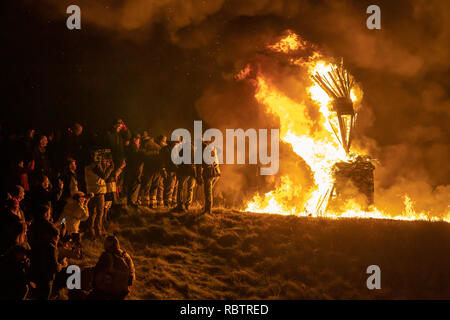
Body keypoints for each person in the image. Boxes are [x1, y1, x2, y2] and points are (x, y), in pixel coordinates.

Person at [28, 204, 65, 300]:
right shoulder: (50, 247)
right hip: (46, 276)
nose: (58, 239)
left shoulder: (34, 226)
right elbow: (54, 266)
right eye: (57, 237)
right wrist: (61, 265)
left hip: (35, 269)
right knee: (44, 295)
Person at [90, 235, 135, 300]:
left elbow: (97, 273)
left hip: (109, 291)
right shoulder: (125, 255)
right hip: (124, 290)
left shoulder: (106, 256)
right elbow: (132, 274)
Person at [0, 220, 32, 300]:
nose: (26, 234)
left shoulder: (11, 243)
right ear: (20, 233)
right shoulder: (17, 249)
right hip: (12, 281)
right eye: (25, 232)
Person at [85, 152, 114, 238]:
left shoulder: (87, 167)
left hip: (91, 192)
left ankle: (91, 231)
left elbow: (98, 176)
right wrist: (111, 167)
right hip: (99, 192)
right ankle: (98, 232)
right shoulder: (95, 167)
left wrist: (104, 166)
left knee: (92, 213)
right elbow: (104, 176)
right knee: (99, 213)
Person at [174, 139, 200, 213]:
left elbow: (178, 160)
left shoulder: (182, 149)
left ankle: (180, 204)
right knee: (190, 189)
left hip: (184, 170)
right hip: (192, 171)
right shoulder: (194, 149)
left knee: (180, 187)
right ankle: (187, 205)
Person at [200, 139, 221, 214]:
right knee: (209, 190)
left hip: (209, 173)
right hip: (216, 172)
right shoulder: (212, 148)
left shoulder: (204, 149)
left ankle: (208, 210)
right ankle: (206, 207)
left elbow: (202, 163)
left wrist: (199, 175)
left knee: (208, 191)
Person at [160, 140, 180, 207]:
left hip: (175, 171)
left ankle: (173, 202)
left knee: (175, 187)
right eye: (177, 142)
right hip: (170, 170)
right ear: (173, 142)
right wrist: (163, 169)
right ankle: (167, 203)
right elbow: (164, 160)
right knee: (170, 187)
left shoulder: (174, 149)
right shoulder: (167, 149)